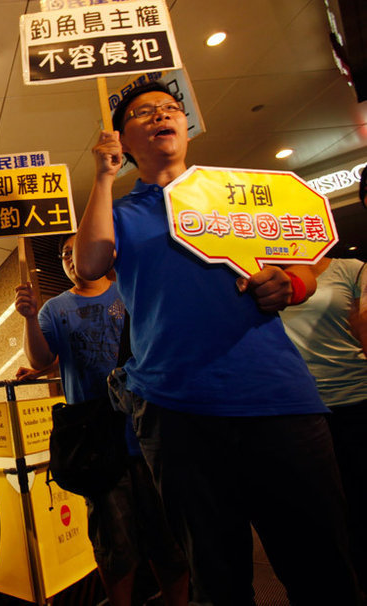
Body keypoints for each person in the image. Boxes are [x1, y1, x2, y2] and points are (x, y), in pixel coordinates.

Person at [73, 81, 361, 605]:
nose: (161, 116)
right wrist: (103, 175)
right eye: (143, 113)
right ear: (121, 139)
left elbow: (305, 265)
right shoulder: (121, 211)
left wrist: (289, 285)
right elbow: (91, 263)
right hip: (177, 410)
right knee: (217, 576)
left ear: (186, 124)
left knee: (323, 566)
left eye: (169, 108)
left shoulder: (235, 194)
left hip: (279, 399)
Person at [15, 234, 188, 606]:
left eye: (77, 252)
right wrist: (29, 318)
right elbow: (41, 359)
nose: (71, 260)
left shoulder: (130, 291)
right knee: (112, 541)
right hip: (97, 442)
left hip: (149, 433)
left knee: (168, 536)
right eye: (64, 255)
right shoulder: (54, 309)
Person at [281, 255, 367, 589]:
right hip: (299, 409)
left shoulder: (351, 268)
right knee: (321, 517)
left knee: (361, 505)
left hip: (356, 399)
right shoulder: (259, 272)